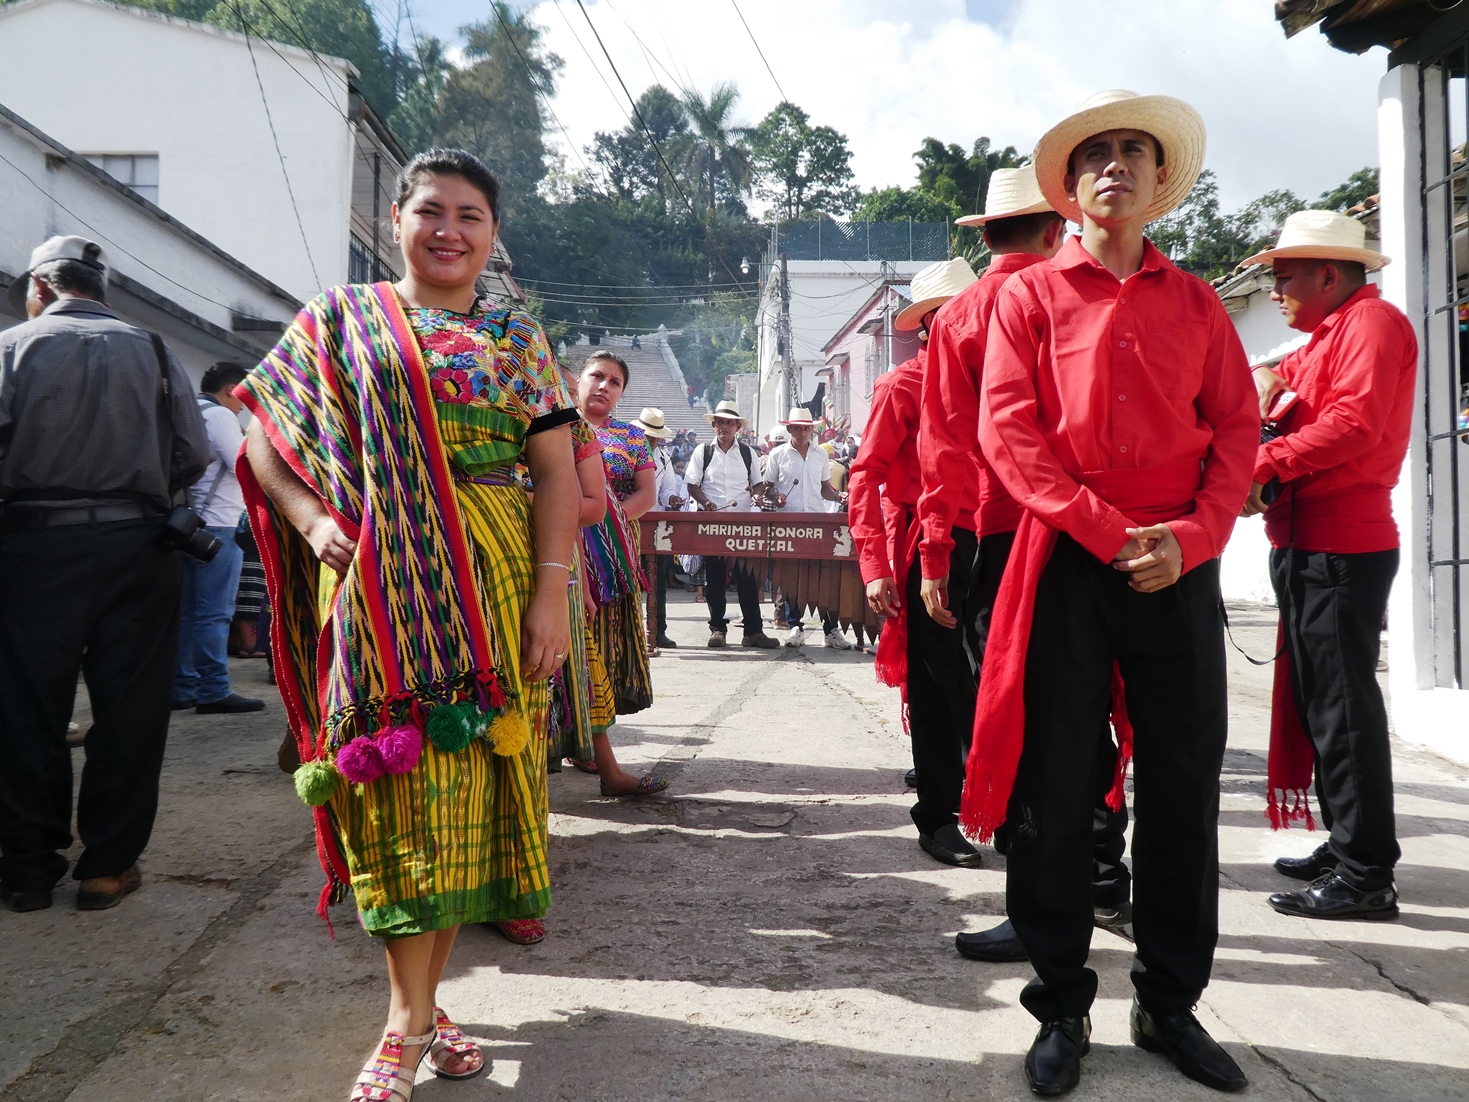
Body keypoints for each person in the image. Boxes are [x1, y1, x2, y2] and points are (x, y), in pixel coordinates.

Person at [240, 149, 579, 1099]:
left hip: (494, 581)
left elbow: (555, 471)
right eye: (431, 210)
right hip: (376, 580)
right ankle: (410, 1017)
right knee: (388, 782)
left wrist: (551, 591)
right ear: (395, 220)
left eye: (471, 215)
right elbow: (264, 434)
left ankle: (415, 1016)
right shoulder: (337, 320)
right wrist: (312, 522)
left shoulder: (516, 336)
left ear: (493, 235)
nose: (449, 230)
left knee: (467, 781)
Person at [968, 92, 1256, 1095]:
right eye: (1096, 153)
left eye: (1134, 150)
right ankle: (1059, 1002)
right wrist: (1101, 529)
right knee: (1054, 785)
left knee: (1180, 785)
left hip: (1177, 563)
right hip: (1067, 559)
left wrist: (1192, 537)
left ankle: (1167, 1002)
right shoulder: (1026, 298)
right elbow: (1007, 431)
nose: (1115, 166)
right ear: (1069, 184)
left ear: (1158, 178)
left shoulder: (1198, 303)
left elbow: (1236, 431)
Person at [916, 171, 1131, 952]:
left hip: (1005, 533)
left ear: (984, 238)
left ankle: (1043, 900)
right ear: (1052, 229)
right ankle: (1100, 875)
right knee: (1092, 706)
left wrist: (934, 553)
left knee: (1024, 721)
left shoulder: (962, 314)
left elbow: (942, 446)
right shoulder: (1083, 294)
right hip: (1095, 530)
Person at [0, 235, 211, 915]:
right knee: (131, 709)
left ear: (40, 288)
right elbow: (193, 452)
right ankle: (107, 869)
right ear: (99, 289)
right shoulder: (154, 349)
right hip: (139, 547)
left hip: (32, 549)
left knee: (25, 709)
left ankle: (27, 872)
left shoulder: (10, 348)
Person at [1237, 209, 1415, 922]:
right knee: (1324, 703)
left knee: (1341, 708)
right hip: (1310, 538)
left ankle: (1365, 872)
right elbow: (1280, 384)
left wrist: (1261, 463)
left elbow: (1352, 425)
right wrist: (1263, 382)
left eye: (1284, 278)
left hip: (1340, 543)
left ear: (1329, 275)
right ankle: (1350, 846)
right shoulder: (1327, 337)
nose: (1275, 291)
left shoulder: (1369, 326)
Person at [849, 257, 977, 857]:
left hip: (994, 540)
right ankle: (938, 816)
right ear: (928, 323)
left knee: (991, 680)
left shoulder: (1000, 377)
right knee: (937, 685)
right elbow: (865, 475)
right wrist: (876, 567)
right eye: (955, 312)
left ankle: (998, 805)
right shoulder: (902, 384)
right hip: (926, 545)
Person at [575, 351, 669, 797]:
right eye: (597, 376)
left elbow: (646, 495)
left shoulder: (631, 437)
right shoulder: (554, 429)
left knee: (605, 652)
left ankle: (593, 745)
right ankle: (584, 746)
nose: (604, 386)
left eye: (615, 382)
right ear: (578, 380)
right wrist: (580, 523)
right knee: (577, 650)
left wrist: (603, 520)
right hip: (564, 548)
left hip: (613, 560)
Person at [173, 361, 265, 715]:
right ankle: (214, 690)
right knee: (214, 613)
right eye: (243, 398)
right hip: (217, 528)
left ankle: (182, 687)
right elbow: (245, 465)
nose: (243, 406)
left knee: (186, 613)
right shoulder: (221, 416)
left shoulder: (187, 411)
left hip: (184, 526)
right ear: (231, 389)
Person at [684, 400, 780, 649]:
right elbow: (692, 484)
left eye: (730, 422)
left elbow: (757, 483)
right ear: (714, 425)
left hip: (742, 523)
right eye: (720, 422)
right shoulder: (703, 451)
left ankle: (753, 632)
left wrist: (757, 496)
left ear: (738, 426)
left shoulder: (748, 453)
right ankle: (718, 629)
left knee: (747, 578)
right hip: (712, 522)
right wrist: (706, 503)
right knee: (714, 579)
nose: (724, 427)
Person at [766, 408, 851, 649]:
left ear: (811, 429)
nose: (802, 432)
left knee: (823, 576)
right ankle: (795, 626)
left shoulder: (820, 454)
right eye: (797, 428)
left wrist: (837, 495)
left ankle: (830, 630)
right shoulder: (777, 454)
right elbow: (767, 487)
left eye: (806, 428)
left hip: (816, 521)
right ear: (789, 429)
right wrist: (776, 497)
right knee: (790, 578)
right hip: (788, 523)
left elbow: (824, 488)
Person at [639, 406, 683, 649]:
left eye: (656, 437)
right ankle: (632, 630)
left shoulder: (665, 459)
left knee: (659, 583)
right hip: (630, 520)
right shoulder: (626, 452)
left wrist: (672, 498)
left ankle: (658, 631)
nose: (653, 441)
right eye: (649, 436)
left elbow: (667, 490)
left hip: (656, 524)